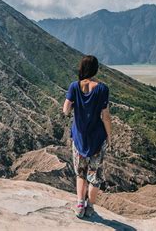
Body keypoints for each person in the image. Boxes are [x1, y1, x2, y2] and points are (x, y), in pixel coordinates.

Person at [62, 55, 112, 219]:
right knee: (95, 176)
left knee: (81, 174)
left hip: (79, 138)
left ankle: (79, 206)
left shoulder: (74, 86)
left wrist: (77, 104)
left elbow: (66, 110)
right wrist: (109, 136)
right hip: (97, 138)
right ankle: (90, 207)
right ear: (96, 69)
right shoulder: (102, 89)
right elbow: (105, 116)